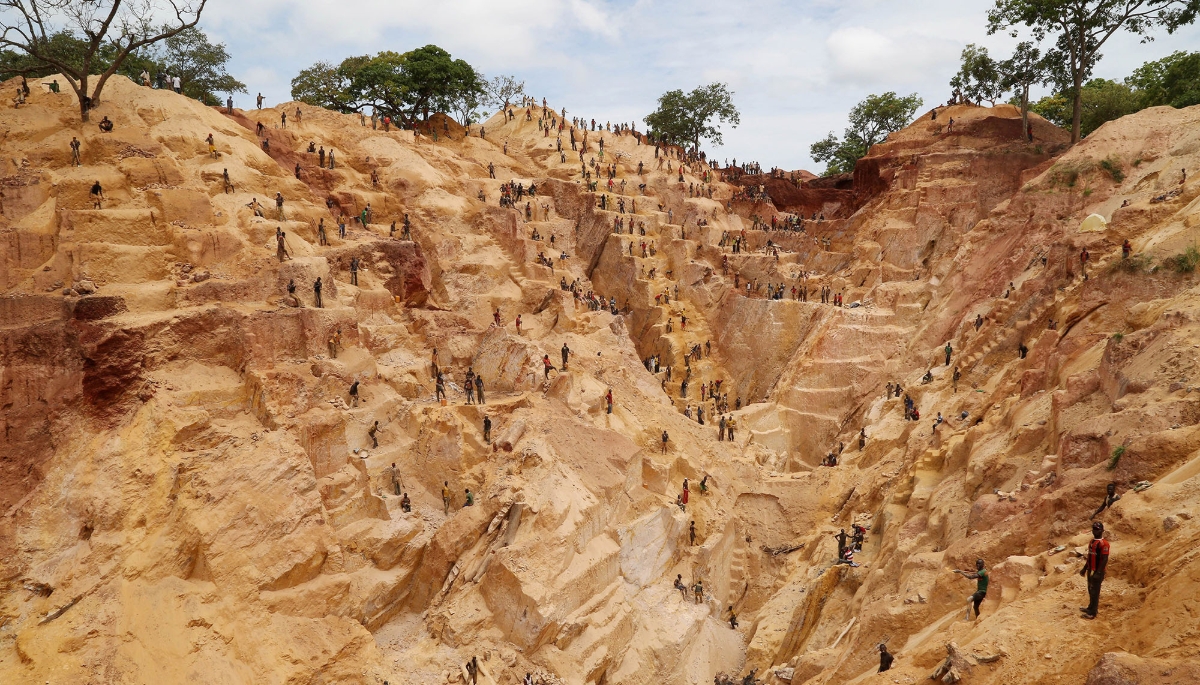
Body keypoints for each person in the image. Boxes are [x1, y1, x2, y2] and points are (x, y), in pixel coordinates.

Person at [1081, 521, 1109, 619]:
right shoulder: (1092, 542)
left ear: (1102, 530)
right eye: (1094, 529)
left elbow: (1105, 559)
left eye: (1097, 529)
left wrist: (1099, 572)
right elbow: (1090, 557)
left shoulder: (1104, 544)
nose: (1095, 531)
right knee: (1090, 589)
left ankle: (1093, 613)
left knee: (1095, 591)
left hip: (1097, 571)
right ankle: (1090, 607)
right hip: (1091, 570)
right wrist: (1084, 568)